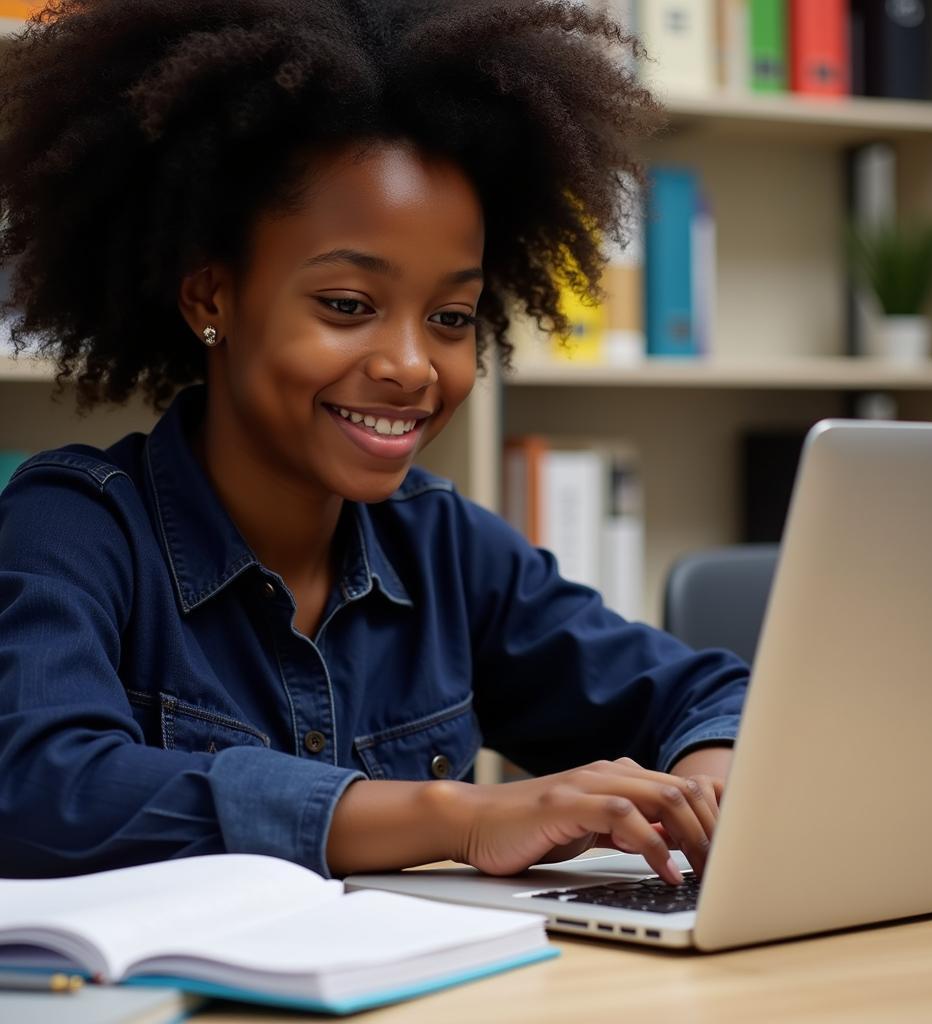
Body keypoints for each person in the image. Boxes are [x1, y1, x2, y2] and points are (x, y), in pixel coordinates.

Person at [0, 0, 748, 883]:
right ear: (212, 298)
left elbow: (710, 696)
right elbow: (38, 793)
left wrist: (705, 794)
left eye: (450, 317)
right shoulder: (71, 527)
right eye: (348, 306)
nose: (410, 366)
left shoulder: (445, 548)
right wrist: (455, 816)